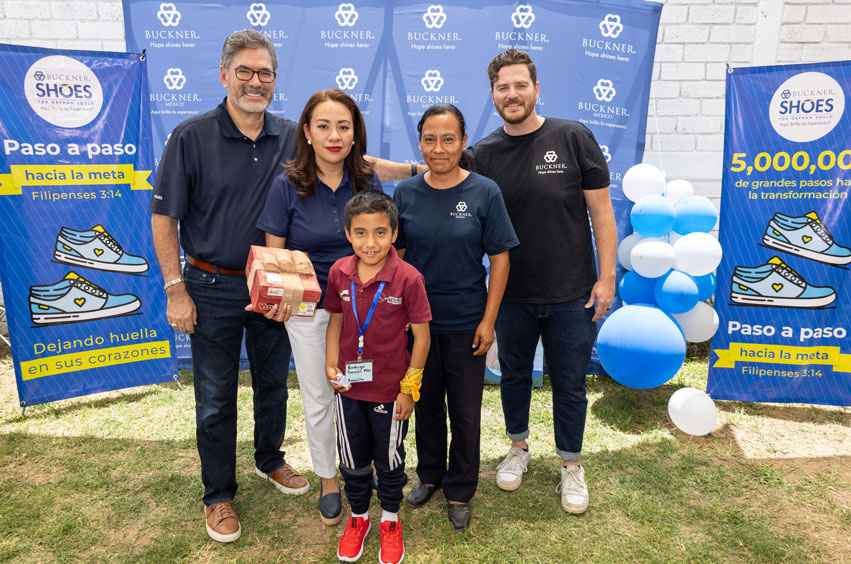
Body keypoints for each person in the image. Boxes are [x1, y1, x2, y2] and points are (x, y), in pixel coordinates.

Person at [150, 30, 417, 542]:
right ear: (225, 75)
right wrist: (174, 287)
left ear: (275, 80)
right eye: (245, 72)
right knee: (215, 398)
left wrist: (423, 170)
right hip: (212, 284)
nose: (255, 81)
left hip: (284, 294)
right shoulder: (191, 136)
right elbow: (165, 216)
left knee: (274, 385)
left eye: (265, 73)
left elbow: (357, 159)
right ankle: (219, 495)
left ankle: (269, 460)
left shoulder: (289, 133)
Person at [465, 49, 617, 515]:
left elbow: (602, 213)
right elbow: (434, 170)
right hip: (512, 295)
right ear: (492, 96)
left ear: (536, 88)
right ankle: (518, 448)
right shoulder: (484, 154)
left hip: (573, 292)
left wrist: (607, 277)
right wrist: (372, 166)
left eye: (520, 85)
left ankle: (571, 466)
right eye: (502, 87)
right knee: (514, 376)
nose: (512, 94)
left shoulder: (572, 137)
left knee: (570, 383)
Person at [255, 88, 380, 526]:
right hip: (310, 312)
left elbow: (383, 247)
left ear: (354, 133)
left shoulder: (368, 180)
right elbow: (276, 262)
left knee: (365, 389)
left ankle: (366, 467)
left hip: (365, 310)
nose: (334, 135)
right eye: (323, 125)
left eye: (343, 126)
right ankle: (329, 479)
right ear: (306, 132)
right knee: (319, 395)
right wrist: (279, 300)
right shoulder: (285, 185)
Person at [392, 104, 518, 530]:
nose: (439, 148)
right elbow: (399, 259)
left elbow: (500, 259)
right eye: (430, 138)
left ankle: (460, 489)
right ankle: (429, 476)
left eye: (449, 139)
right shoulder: (406, 194)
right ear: (420, 141)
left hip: (467, 322)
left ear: (463, 142)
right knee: (424, 405)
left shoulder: (485, 192)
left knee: (464, 411)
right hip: (418, 326)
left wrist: (488, 320)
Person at [324, 191, 431, 564]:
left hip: (391, 391)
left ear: (395, 234)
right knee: (352, 459)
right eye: (361, 233)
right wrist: (329, 363)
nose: (371, 243)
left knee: (389, 461)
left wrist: (410, 389)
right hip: (349, 389)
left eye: (381, 232)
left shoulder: (408, 278)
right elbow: (335, 320)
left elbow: (422, 337)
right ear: (348, 234)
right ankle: (358, 518)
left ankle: (389, 520)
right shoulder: (339, 272)